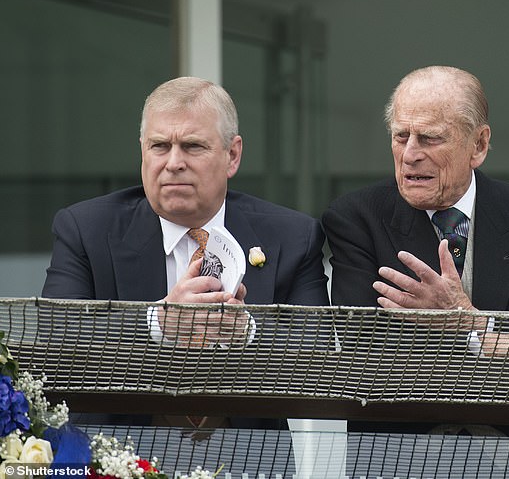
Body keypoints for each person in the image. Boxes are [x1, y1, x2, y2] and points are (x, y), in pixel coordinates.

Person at [41, 76, 330, 427]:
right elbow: (58, 339)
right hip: (120, 454)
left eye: (193, 146)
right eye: (160, 146)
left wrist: (246, 332)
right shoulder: (86, 229)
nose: (174, 162)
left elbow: (317, 352)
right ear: (142, 152)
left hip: (250, 457)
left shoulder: (292, 236)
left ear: (232, 155)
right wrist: (159, 322)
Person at [322, 66, 509, 440]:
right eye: (401, 136)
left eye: (430, 139)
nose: (410, 155)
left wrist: (468, 323)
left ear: (478, 145)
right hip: (402, 457)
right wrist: (503, 342)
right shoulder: (355, 218)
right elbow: (368, 363)